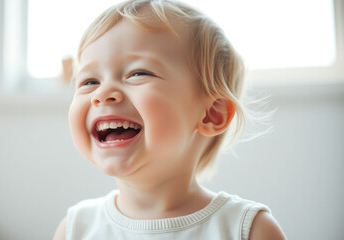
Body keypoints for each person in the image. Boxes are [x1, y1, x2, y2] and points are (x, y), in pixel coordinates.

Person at [54, 0, 286, 239]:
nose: (102, 94)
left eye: (138, 73)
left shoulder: (248, 230)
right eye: (89, 82)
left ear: (211, 114)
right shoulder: (75, 229)